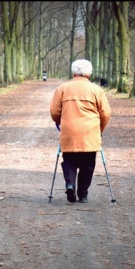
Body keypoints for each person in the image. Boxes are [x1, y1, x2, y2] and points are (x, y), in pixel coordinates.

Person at [49, 59, 111, 203]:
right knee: (88, 163)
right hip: (90, 131)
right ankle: (82, 194)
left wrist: (60, 121)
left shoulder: (62, 88)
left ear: (73, 72)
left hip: (69, 130)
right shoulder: (96, 90)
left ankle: (70, 184)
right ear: (89, 73)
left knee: (69, 159)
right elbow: (105, 113)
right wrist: (99, 129)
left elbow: (54, 111)